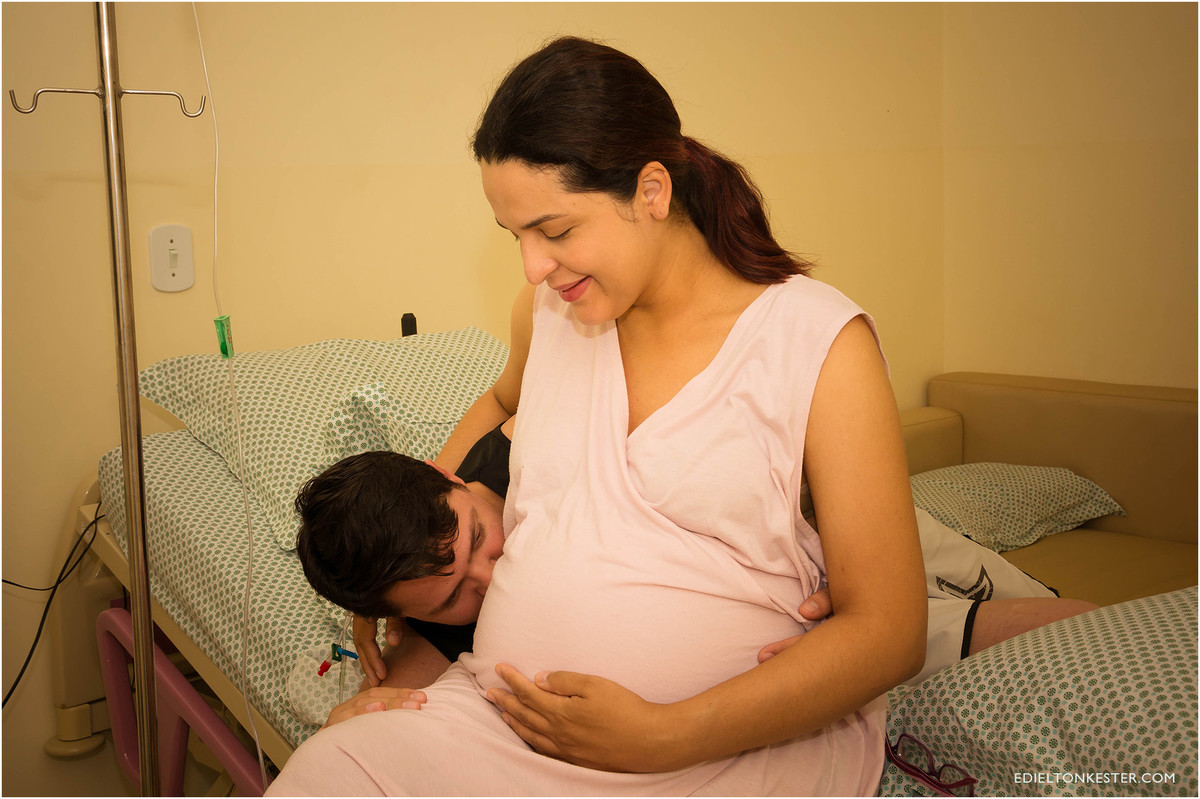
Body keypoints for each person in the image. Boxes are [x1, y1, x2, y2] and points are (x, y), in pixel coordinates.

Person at [265, 37, 1057, 795]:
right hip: (502, 722)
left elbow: (887, 629)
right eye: (515, 236)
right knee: (329, 769)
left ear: (651, 191)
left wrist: (664, 734)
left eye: (555, 229)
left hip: (717, 749)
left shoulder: (815, 344)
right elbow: (503, 401)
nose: (534, 266)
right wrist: (409, 538)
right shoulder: (545, 313)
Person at [297, 420, 1093, 696]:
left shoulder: (526, 448)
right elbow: (381, 712)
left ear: (453, 479)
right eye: (449, 598)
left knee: (1061, 611)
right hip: (789, 638)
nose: (488, 575)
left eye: (477, 538)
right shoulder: (427, 623)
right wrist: (357, 694)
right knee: (1056, 634)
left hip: (807, 526)